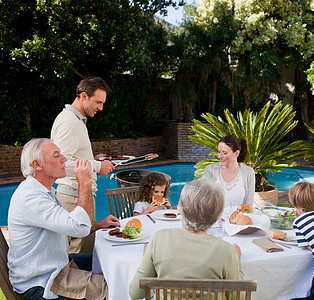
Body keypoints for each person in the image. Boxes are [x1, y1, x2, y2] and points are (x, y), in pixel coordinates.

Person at [8, 138, 120, 300]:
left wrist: (99, 224)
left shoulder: (43, 191)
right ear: (37, 165)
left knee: (110, 262)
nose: (64, 159)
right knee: (113, 289)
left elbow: (68, 229)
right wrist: (85, 182)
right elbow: (79, 228)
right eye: (56, 155)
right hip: (41, 283)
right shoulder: (31, 198)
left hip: (55, 266)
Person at [129, 178, 243, 300]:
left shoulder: (159, 239)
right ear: (217, 215)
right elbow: (238, 297)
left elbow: (136, 293)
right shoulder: (226, 251)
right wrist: (237, 262)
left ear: (181, 208)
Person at [51, 76, 115, 253]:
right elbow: (61, 165)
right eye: (98, 102)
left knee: (86, 251)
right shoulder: (69, 122)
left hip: (78, 196)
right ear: (84, 96)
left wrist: (95, 159)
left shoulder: (76, 120)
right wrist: (97, 166)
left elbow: (72, 156)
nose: (101, 108)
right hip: (73, 198)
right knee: (78, 257)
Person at [202, 135, 255, 209]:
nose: (220, 156)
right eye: (219, 152)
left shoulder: (248, 172)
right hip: (214, 218)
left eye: (224, 153)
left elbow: (248, 205)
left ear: (236, 153)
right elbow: (203, 200)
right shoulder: (210, 170)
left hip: (239, 218)